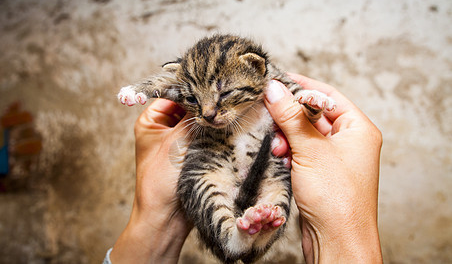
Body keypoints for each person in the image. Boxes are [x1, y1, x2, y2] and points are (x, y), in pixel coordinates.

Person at [105, 74, 383, 264]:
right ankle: (235, 238)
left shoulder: (270, 81)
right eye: (197, 100)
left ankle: (259, 237)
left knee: (278, 186)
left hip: (263, 167)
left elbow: (300, 105)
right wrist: (145, 87)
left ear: (254, 68)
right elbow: (170, 82)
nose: (209, 113)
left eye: (223, 94)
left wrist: (310, 106)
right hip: (218, 161)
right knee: (203, 181)